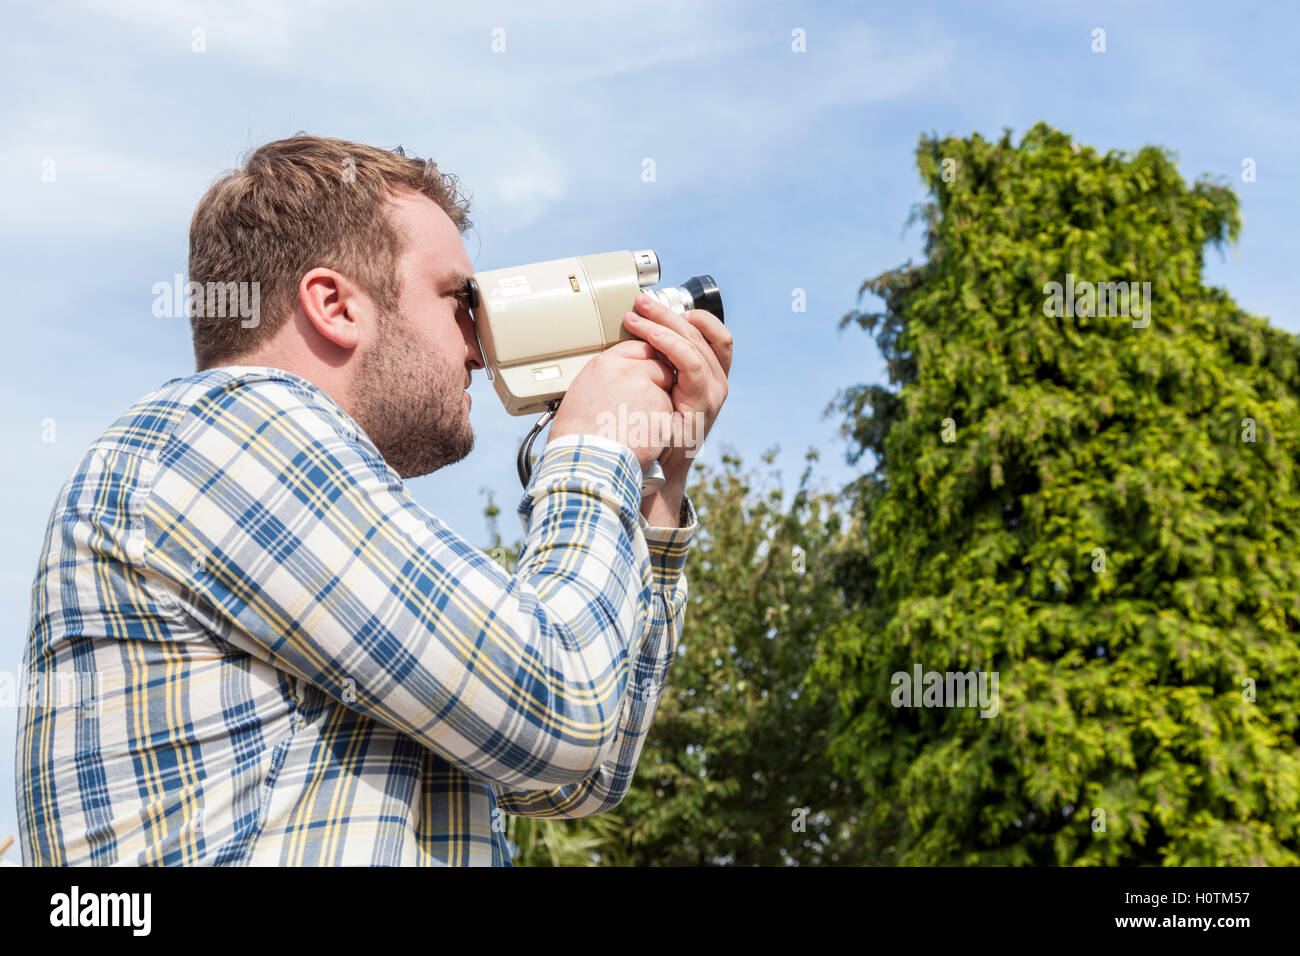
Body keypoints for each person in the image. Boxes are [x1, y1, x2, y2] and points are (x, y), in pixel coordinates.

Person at [15, 135, 732, 866]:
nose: (479, 348)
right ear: (333, 305)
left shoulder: (296, 514)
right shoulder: (226, 431)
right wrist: (594, 450)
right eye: (458, 300)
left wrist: (657, 482)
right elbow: (561, 713)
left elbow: (580, 778)